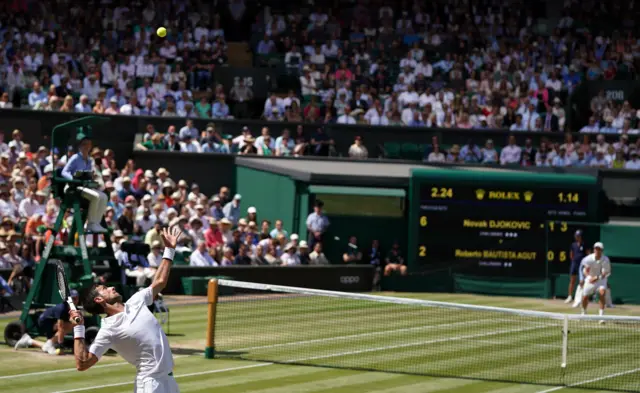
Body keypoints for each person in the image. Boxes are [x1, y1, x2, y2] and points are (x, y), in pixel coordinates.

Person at [68, 227, 181, 393]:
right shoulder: (108, 330)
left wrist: (169, 250)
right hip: (150, 384)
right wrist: (78, 329)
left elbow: (160, 282)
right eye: (105, 288)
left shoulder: (136, 301)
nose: (112, 287)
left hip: (169, 380)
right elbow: (82, 364)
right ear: (99, 299)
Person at [61, 133, 108, 233]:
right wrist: (73, 179)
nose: (86, 146)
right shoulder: (75, 157)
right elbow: (64, 172)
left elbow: (86, 175)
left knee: (104, 196)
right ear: (80, 146)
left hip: (84, 187)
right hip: (73, 188)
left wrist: (93, 178)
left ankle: (96, 223)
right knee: (95, 196)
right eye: (84, 144)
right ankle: (91, 224)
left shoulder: (90, 160)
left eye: (88, 144)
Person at [14, 290, 80, 355]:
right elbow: (60, 327)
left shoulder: (73, 308)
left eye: (77, 298)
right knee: (68, 325)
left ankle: (28, 340)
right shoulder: (62, 308)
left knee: (48, 345)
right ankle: (49, 343)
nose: (76, 301)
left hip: (52, 323)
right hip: (44, 322)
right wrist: (61, 346)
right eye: (73, 299)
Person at [580, 242, 611, 321]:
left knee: (602, 292)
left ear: (602, 250)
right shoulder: (588, 259)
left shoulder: (605, 260)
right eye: (596, 249)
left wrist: (596, 277)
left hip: (601, 279)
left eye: (599, 249)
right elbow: (584, 269)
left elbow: (605, 273)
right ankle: (584, 312)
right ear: (594, 249)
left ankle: (601, 316)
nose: (597, 250)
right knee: (584, 297)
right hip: (590, 278)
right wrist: (588, 277)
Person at [565, 230, 586, 304]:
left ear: (581, 236)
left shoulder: (584, 244)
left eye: (578, 236)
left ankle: (582, 297)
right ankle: (570, 296)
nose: (577, 237)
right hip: (574, 264)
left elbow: (587, 254)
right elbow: (571, 255)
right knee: (572, 281)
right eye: (576, 236)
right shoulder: (573, 245)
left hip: (582, 265)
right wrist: (574, 261)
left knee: (582, 281)